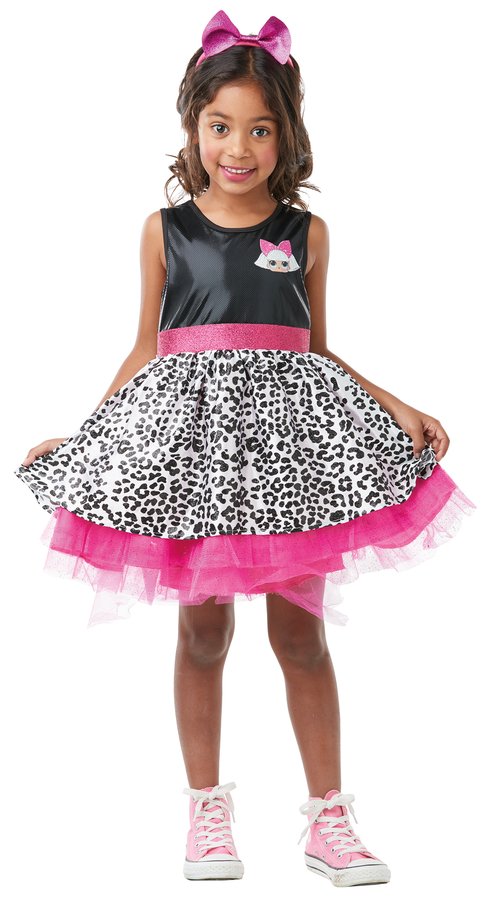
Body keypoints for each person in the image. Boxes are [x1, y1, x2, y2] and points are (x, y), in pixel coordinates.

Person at [13, 8, 477, 888]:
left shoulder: (306, 234)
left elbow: (313, 346)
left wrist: (395, 402)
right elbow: (147, 348)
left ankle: (328, 819)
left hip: (288, 462)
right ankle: (206, 811)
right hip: (192, 458)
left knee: (300, 637)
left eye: (260, 129)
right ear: (193, 127)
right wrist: (90, 437)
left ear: (285, 134)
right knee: (202, 633)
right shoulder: (165, 230)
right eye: (220, 125)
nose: (238, 146)